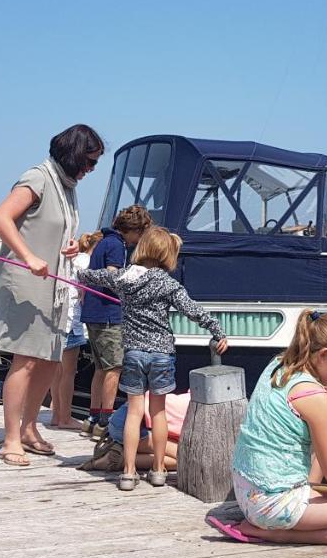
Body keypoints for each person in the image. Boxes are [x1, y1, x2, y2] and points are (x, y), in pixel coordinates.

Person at [212, 309, 327, 546]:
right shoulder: (315, 398)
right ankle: (271, 533)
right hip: (269, 504)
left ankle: (308, 490)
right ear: (323, 354)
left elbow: (300, 396)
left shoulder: (278, 364)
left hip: (246, 490)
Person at [75, 227, 228, 491]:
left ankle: (128, 472)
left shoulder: (124, 277)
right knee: (157, 413)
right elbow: (193, 310)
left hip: (133, 352)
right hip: (161, 354)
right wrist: (217, 330)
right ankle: (158, 471)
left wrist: (73, 262)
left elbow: (88, 275)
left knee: (135, 413)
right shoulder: (168, 283)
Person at [0, 123, 104, 467]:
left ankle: (28, 428)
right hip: (27, 283)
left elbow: (53, 228)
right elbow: (1, 217)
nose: (91, 169)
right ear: (73, 155)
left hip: (54, 284)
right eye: (89, 161)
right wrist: (28, 256)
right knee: (25, 359)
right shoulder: (39, 177)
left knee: (51, 358)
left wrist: (69, 246)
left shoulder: (67, 187)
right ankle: (10, 439)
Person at [81, 204, 153, 439]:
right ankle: (105, 420)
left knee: (101, 368)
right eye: (141, 233)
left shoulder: (104, 241)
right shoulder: (116, 246)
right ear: (134, 230)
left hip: (93, 313)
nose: (140, 239)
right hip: (109, 315)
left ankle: (92, 418)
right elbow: (112, 277)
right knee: (115, 367)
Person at [48, 231, 103, 430]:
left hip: (57, 318)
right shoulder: (87, 261)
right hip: (72, 320)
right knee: (69, 372)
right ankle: (65, 417)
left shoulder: (72, 259)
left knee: (56, 370)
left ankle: (56, 414)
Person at [79, 391, 188, 472]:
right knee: (186, 459)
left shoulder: (190, 397)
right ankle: (115, 460)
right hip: (132, 424)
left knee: (173, 452)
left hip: (124, 416)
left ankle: (121, 450)